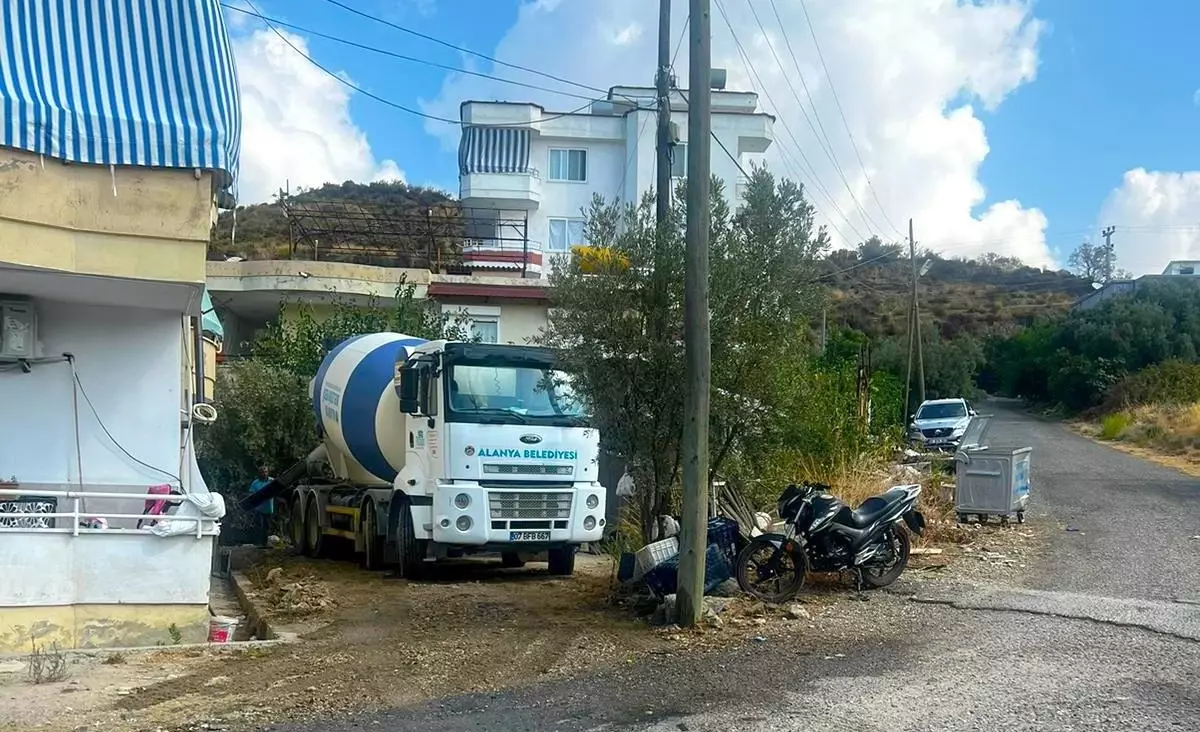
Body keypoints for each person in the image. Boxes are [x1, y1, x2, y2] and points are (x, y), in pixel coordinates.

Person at [248, 466, 274, 546]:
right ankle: (259, 543)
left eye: (266, 472)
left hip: (269, 508)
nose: (264, 474)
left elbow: (278, 489)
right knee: (259, 526)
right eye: (262, 472)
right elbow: (251, 494)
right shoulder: (255, 483)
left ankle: (264, 543)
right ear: (259, 473)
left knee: (267, 526)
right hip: (259, 508)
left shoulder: (272, 481)